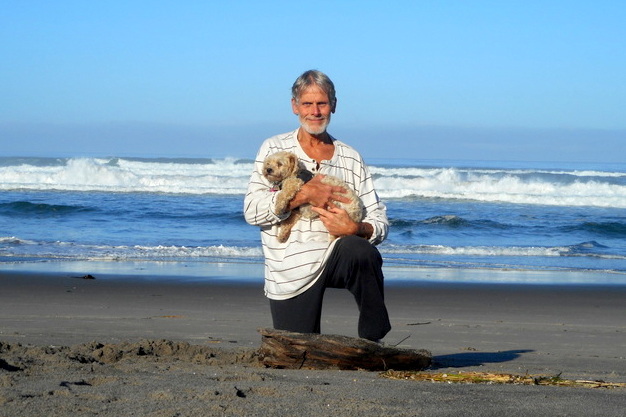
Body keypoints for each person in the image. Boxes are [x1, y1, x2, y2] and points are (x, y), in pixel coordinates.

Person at [243, 70, 391, 342]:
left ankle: (373, 339)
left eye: (322, 103)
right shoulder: (274, 148)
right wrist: (302, 196)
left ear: (333, 105)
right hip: (290, 269)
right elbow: (252, 211)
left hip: (337, 254)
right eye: (307, 104)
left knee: (361, 251)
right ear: (294, 106)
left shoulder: (351, 157)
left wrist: (357, 227)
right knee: (299, 354)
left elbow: (380, 219)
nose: (315, 111)